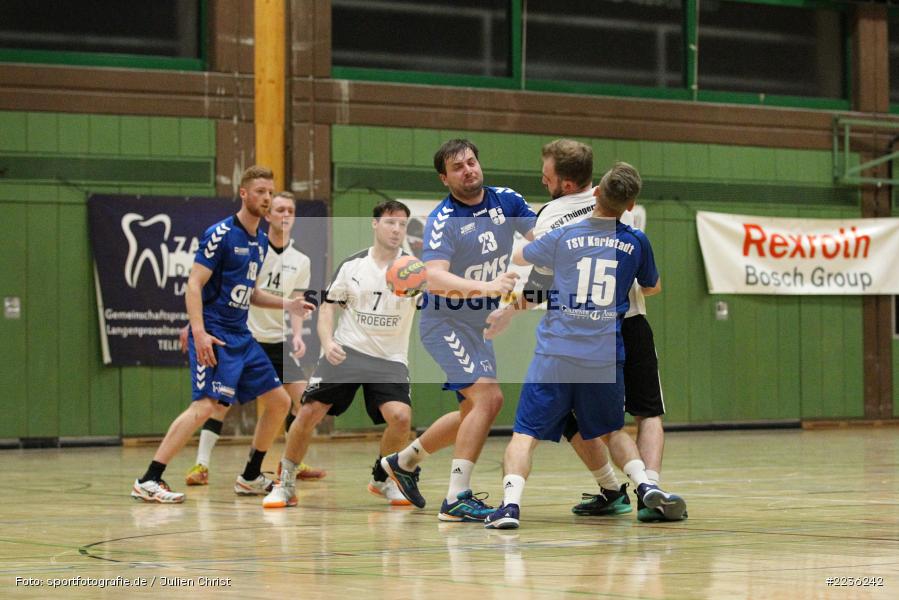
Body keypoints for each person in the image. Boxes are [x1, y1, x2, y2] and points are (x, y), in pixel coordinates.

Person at [483, 161, 686, 529]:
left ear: (595, 193)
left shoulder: (563, 236)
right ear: (629, 207)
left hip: (557, 352)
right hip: (604, 353)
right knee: (613, 430)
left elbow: (520, 258)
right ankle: (644, 485)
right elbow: (653, 287)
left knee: (525, 435)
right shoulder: (636, 240)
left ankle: (510, 506)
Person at [131, 166, 314, 503]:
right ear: (243, 193)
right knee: (203, 407)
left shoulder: (259, 239)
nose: (266, 198)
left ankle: (249, 476)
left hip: (241, 335)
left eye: (270, 192)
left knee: (280, 401)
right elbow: (194, 283)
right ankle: (149, 478)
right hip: (215, 335)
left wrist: (290, 305)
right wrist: (198, 332)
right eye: (260, 191)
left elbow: (252, 293)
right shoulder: (220, 234)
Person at [381, 139, 536, 522]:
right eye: (458, 167)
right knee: (488, 399)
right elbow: (432, 277)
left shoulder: (507, 201)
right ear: (444, 178)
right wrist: (490, 288)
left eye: (471, 162)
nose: (469, 170)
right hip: (445, 321)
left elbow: (541, 238)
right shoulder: (443, 220)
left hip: (477, 323)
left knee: (474, 407)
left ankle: (404, 462)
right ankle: (455, 497)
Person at [263, 200, 421, 508]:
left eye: (402, 224)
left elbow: (435, 296)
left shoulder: (413, 269)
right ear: (375, 224)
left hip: (389, 358)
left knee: (401, 418)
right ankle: (286, 483)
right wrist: (327, 342)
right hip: (346, 351)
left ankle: (382, 478)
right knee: (308, 412)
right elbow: (328, 307)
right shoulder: (353, 265)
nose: (397, 229)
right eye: (390, 222)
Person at [182, 191, 326, 487]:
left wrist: (297, 335)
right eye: (280, 209)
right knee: (220, 403)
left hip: (277, 340)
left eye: (291, 210)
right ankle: (202, 464)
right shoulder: (253, 247)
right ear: (268, 214)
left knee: (303, 403)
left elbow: (298, 301)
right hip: (244, 336)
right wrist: (194, 325)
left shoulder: (301, 260)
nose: (286, 215)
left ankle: (289, 463)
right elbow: (221, 290)